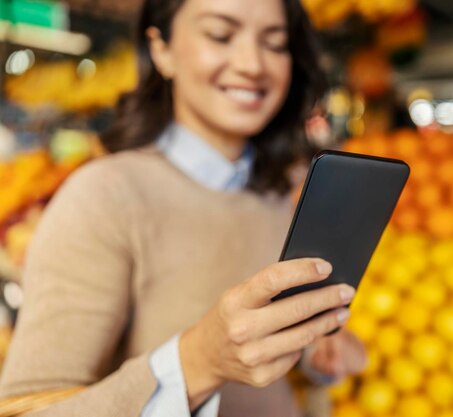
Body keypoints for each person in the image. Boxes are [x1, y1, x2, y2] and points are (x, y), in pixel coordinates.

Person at [0, 0, 367, 415]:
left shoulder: (283, 193)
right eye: (220, 35)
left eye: (275, 43)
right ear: (161, 50)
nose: (252, 63)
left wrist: (313, 354)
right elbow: (22, 411)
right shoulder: (104, 196)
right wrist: (197, 362)